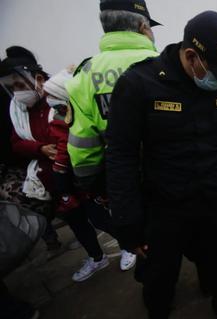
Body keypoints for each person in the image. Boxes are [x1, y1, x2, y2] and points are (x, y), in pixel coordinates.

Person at [106, 11, 217, 319]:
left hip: (216, 196)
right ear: (191, 56)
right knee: (159, 273)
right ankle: (158, 317)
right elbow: (121, 156)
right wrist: (127, 221)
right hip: (166, 203)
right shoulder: (140, 83)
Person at [65, 0, 160, 273]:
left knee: (143, 246)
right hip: (171, 176)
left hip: (121, 183)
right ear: (143, 28)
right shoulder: (162, 66)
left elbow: (82, 150)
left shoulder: (84, 75)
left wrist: (98, 188)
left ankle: (153, 283)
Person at [44, 68, 136, 281]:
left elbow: (86, 147)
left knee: (101, 218)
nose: (53, 105)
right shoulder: (58, 117)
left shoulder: (82, 114)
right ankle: (97, 257)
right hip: (71, 180)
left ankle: (129, 246)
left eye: (56, 100)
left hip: (87, 178)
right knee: (79, 222)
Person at [0, 46, 62, 253]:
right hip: (44, 170)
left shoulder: (56, 96)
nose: (17, 91)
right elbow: (16, 142)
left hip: (68, 166)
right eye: (11, 87)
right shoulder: (18, 109)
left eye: (19, 84)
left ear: (37, 77)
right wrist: (40, 148)